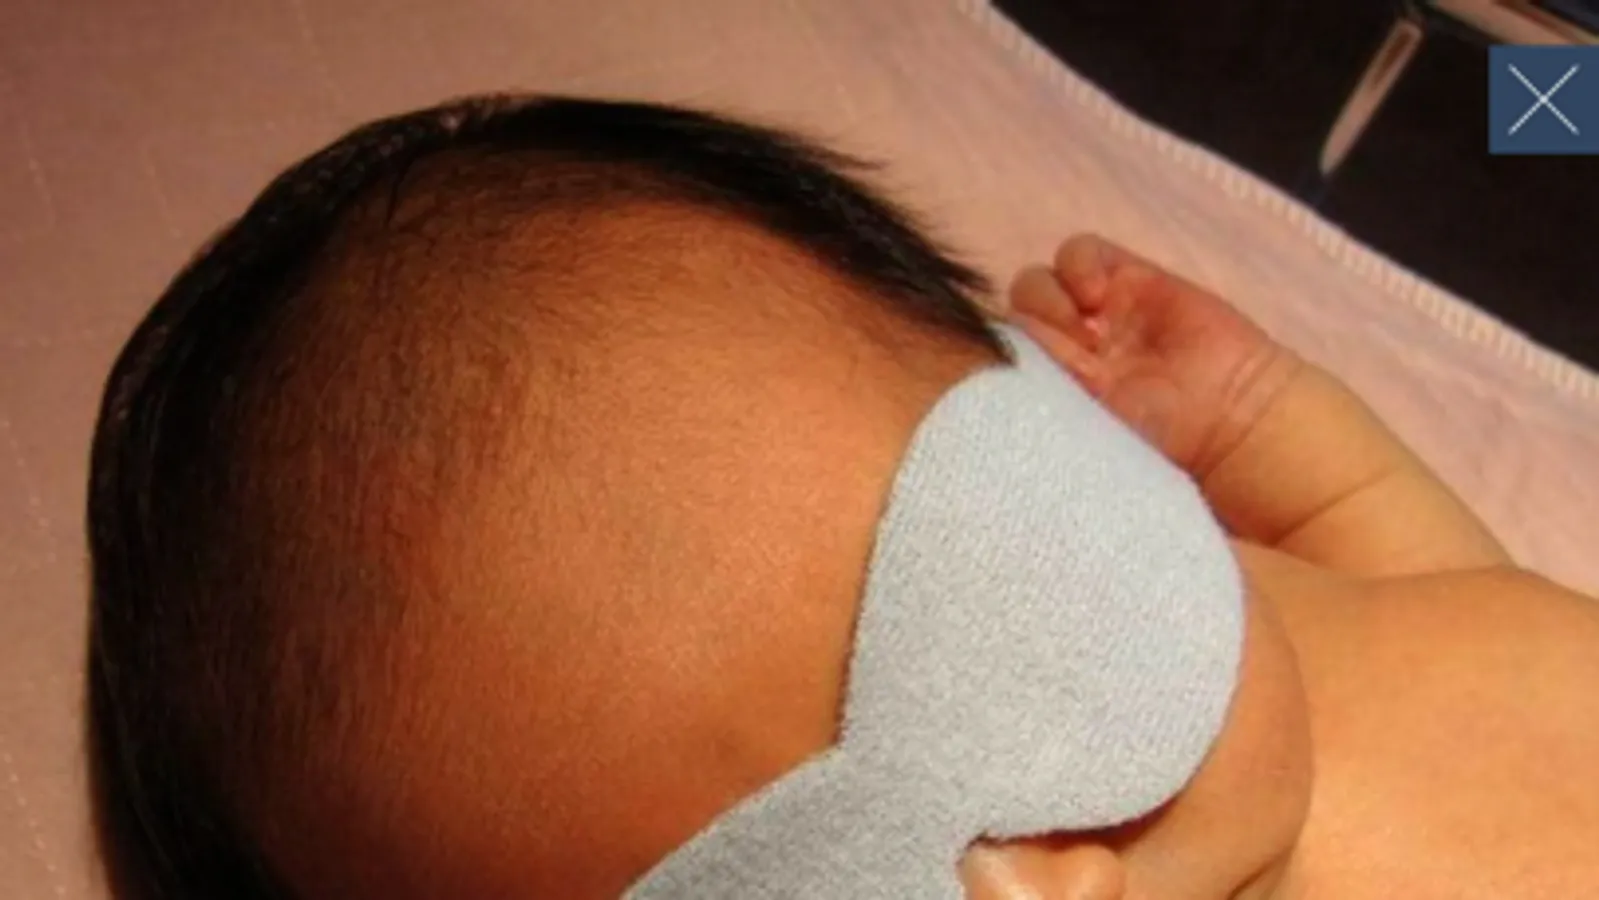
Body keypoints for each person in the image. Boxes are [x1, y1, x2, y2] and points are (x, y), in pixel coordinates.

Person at [84, 93, 1599, 900]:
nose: (1044, 896)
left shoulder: (1315, 622)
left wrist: (1266, 416)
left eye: (1035, 666)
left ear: (1063, 420)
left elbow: (1443, 584)